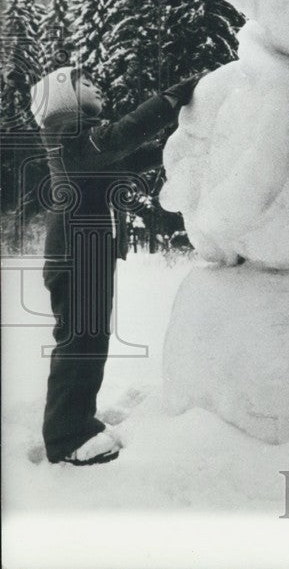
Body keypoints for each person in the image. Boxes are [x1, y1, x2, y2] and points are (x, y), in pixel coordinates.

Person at [30, 67, 199, 465]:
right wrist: (170, 99)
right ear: (62, 99)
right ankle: (67, 437)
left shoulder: (83, 145)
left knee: (88, 343)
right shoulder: (66, 137)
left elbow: (128, 160)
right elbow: (120, 136)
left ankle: (76, 422)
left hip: (86, 255)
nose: (97, 86)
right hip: (76, 255)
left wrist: (181, 145)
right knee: (80, 343)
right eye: (84, 83)